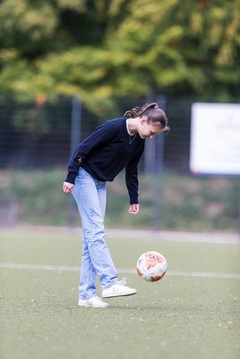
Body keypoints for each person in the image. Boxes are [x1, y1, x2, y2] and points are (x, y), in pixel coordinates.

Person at [63, 102, 170, 308]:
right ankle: (110, 283)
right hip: (83, 177)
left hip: (100, 183)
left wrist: (134, 198)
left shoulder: (139, 141)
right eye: (150, 132)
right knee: (96, 231)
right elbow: (82, 148)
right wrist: (70, 176)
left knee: (90, 239)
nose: (150, 136)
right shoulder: (113, 127)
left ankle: (86, 295)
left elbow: (132, 169)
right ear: (143, 120)